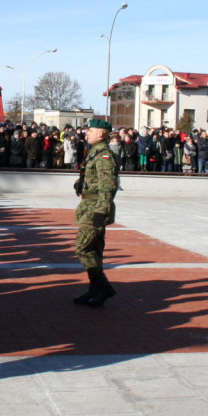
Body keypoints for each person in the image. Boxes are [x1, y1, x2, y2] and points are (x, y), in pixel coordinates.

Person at [71, 118, 119, 306]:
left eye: (90, 130)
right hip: (90, 205)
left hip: (95, 208)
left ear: (100, 133)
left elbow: (108, 186)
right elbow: (95, 178)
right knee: (94, 250)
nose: (86, 133)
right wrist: (80, 183)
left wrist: (101, 210)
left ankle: (104, 288)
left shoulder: (104, 155)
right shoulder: (95, 152)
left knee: (82, 248)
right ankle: (95, 290)